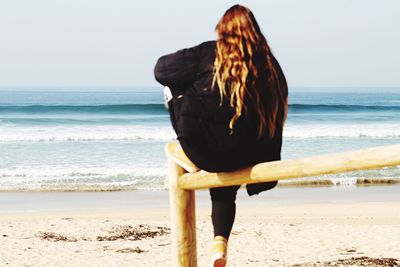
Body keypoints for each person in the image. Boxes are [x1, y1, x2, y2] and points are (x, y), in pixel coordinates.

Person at [154, 4, 288, 267]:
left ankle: (185, 153)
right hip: (249, 154)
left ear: (223, 30)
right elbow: (276, 116)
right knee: (225, 191)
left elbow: (161, 70)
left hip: (202, 149)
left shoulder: (209, 52)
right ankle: (219, 244)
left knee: (172, 85)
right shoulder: (271, 67)